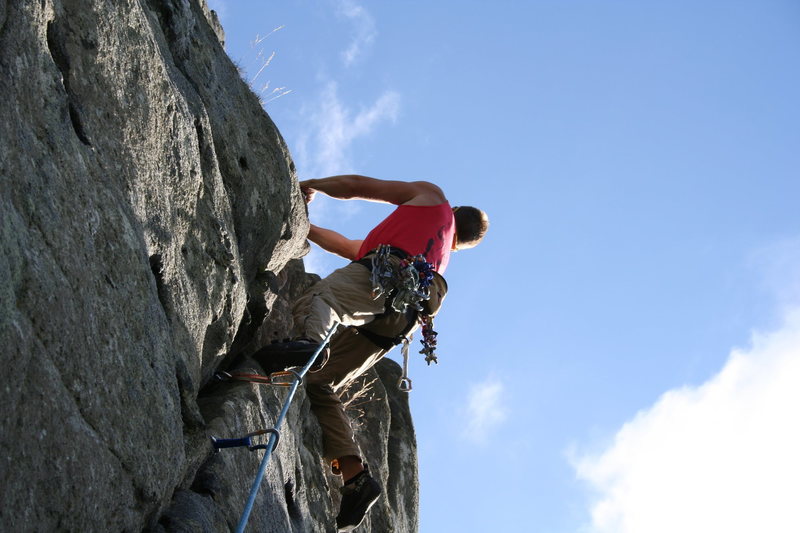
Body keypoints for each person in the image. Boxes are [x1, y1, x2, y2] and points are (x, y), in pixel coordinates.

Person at [253, 174, 488, 532]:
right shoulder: (435, 254)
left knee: (319, 299)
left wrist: (311, 185)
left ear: (453, 211)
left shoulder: (433, 198)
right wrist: (306, 227)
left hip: (387, 272)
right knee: (319, 381)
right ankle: (356, 478)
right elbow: (349, 247)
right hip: (411, 309)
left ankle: (308, 345)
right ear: (457, 245)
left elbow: (361, 186)